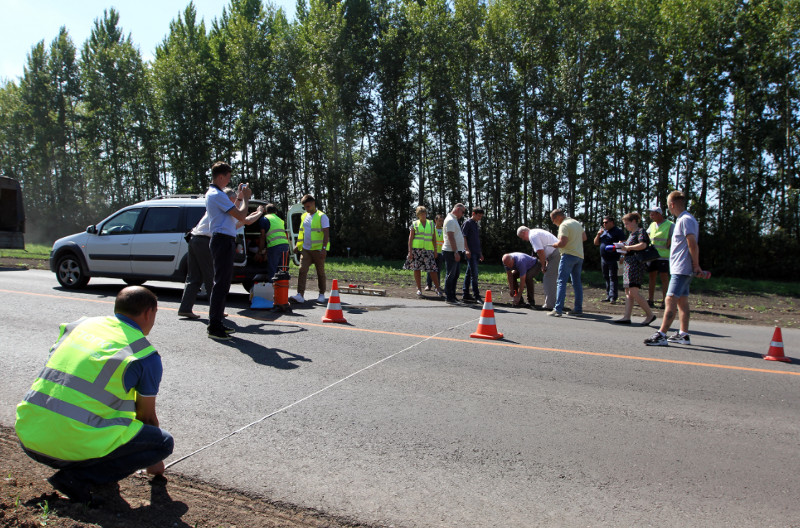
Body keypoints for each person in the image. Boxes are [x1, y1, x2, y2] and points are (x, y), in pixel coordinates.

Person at [15, 286, 174, 504]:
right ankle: (77, 478)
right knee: (163, 443)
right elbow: (146, 418)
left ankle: (84, 464)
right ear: (149, 313)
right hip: (68, 447)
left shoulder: (80, 325)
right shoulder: (143, 354)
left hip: (29, 435)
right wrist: (155, 462)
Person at [645, 191, 701, 346]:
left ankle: (662, 334)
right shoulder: (685, 220)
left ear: (672, 204)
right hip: (680, 267)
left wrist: (696, 265)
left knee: (670, 299)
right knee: (682, 301)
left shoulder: (685, 220)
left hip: (682, 268)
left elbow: (692, 243)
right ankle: (683, 334)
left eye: (668, 205)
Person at [205, 162, 252, 340]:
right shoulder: (217, 194)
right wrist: (246, 198)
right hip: (222, 240)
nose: (229, 181)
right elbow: (241, 215)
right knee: (221, 284)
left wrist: (239, 196)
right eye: (228, 177)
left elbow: (233, 214)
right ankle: (214, 325)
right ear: (221, 176)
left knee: (223, 284)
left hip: (224, 240)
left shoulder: (215, 194)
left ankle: (216, 322)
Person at [612, 212, 656, 326]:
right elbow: (627, 248)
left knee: (633, 291)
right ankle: (627, 316)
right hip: (628, 264)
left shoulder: (641, 231)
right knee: (628, 292)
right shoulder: (631, 234)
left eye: (627, 223)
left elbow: (643, 245)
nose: (626, 226)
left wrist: (627, 247)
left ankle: (650, 314)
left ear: (634, 221)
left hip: (636, 264)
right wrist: (622, 247)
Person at [290, 194, 330, 304]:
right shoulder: (304, 216)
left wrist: (323, 249)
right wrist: (298, 246)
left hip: (318, 250)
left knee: (320, 272)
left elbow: (326, 234)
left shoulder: (322, 216)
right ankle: (300, 295)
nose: (306, 209)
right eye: (305, 207)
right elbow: (302, 233)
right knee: (302, 270)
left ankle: (321, 294)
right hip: (306, 249)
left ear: (313, 203)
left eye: (308, 206)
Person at [548, 209, 587, 317]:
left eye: (553, 219)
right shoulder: (576, 223)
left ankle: (558, 309)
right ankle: (578, 309)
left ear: (558, 217)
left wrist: (555, 244)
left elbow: (563, 243)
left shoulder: (564, 225)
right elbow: (584, 237)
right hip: (579, 256)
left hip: (568, 255)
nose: (553, 222)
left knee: (561, 282)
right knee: (577, 283)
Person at [177, 211, 213, 319]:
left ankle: (185, 308)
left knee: (194, 276)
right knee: (211, 276)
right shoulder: (224, 206)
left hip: (195, 237)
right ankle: (216, 310)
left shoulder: (214, 205)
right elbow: (238, 223)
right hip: (204, 241)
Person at [403, 206, 443, 297]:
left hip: (429, 250)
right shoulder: (415, 224)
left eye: (424, 213)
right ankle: (419, 289)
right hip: (417, 250)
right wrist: (410, 251)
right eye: (421, 214)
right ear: (418, 215)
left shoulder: (431, 223)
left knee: (433, 269)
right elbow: (411, 238)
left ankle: (437, 288)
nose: (423, 215)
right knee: (416, 269)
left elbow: (434, 238)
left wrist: (435, 250)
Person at [517, 226, 560, 310]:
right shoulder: (536, 232)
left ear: (524, 232)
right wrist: (546, 261)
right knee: (552, 278)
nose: (523, 239)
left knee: (549, 278)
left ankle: (550, 305)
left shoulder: (532, 235)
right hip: (554, 253)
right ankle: (554, 302)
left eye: (522, 237)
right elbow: (545, 249)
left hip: (556, 254)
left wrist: (543, 265)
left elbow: (540, 251)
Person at [593, 215, 626, 304]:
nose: (604, 224)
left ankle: (613, 297)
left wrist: (622, 256)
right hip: (604, 259)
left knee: (613, 277)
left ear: (612, 222)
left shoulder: (618, 232)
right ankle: (608, 295)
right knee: (606, 277)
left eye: (606, 222)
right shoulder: (603, 232)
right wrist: (598, 234)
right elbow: (596, 243)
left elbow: (624, 244)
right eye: (603, 222)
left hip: (614, 258)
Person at [645, 206, 674, 308]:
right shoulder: (652, 225)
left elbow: (673, 236)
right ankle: (650, 299)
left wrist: (669, 242)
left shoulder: (670, 224)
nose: (651, 216)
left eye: (652, 214)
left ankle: (665, 301)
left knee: (664, 278)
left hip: (663, 255)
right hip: (652, 255)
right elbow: (648, 234)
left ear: (659, 214)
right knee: (651, 277)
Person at [256, 203, 291, 282]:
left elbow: (262, 236)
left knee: (273, 270)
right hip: (285, 246)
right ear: (276, 212)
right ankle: (281, 291)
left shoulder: (264, 219)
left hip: (274, 246)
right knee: (282, 270)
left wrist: (260, 251)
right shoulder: (281, 220)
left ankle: (273, 291)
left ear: (265, 211)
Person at [441, 203, 467, 305]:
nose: (463, 214)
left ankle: (452, 295)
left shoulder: (454, 219)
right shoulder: (451, 220)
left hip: (454, 251)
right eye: (462, 211)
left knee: (455, 275)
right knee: (451, 274)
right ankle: (449, 296)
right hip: (451, 251)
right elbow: (450, 237)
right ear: (457, 209)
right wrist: (456, 251)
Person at [461, 207, 485, 303]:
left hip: (476, 252)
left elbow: (476, 240)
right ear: (473, 213)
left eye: (481, 216)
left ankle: (465, 293)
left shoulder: (475, 224)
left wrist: (480, 253)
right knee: (474, 274)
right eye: (479, 216)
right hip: (470, 252)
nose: (480, 218)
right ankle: (476, 296)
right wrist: (466, 249)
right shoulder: (468, 223)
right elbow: (463, 237)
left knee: (469, 273)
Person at [426, 214, 445, 291]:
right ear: (435, 221)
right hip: (432, 251)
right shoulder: (432, 230)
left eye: (442, 221)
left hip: (441, 252)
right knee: (430, 269)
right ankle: (428, 285)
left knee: (438, 270)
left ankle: (437, 285)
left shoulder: (445, 230)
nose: (441, 222)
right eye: (439, 221)